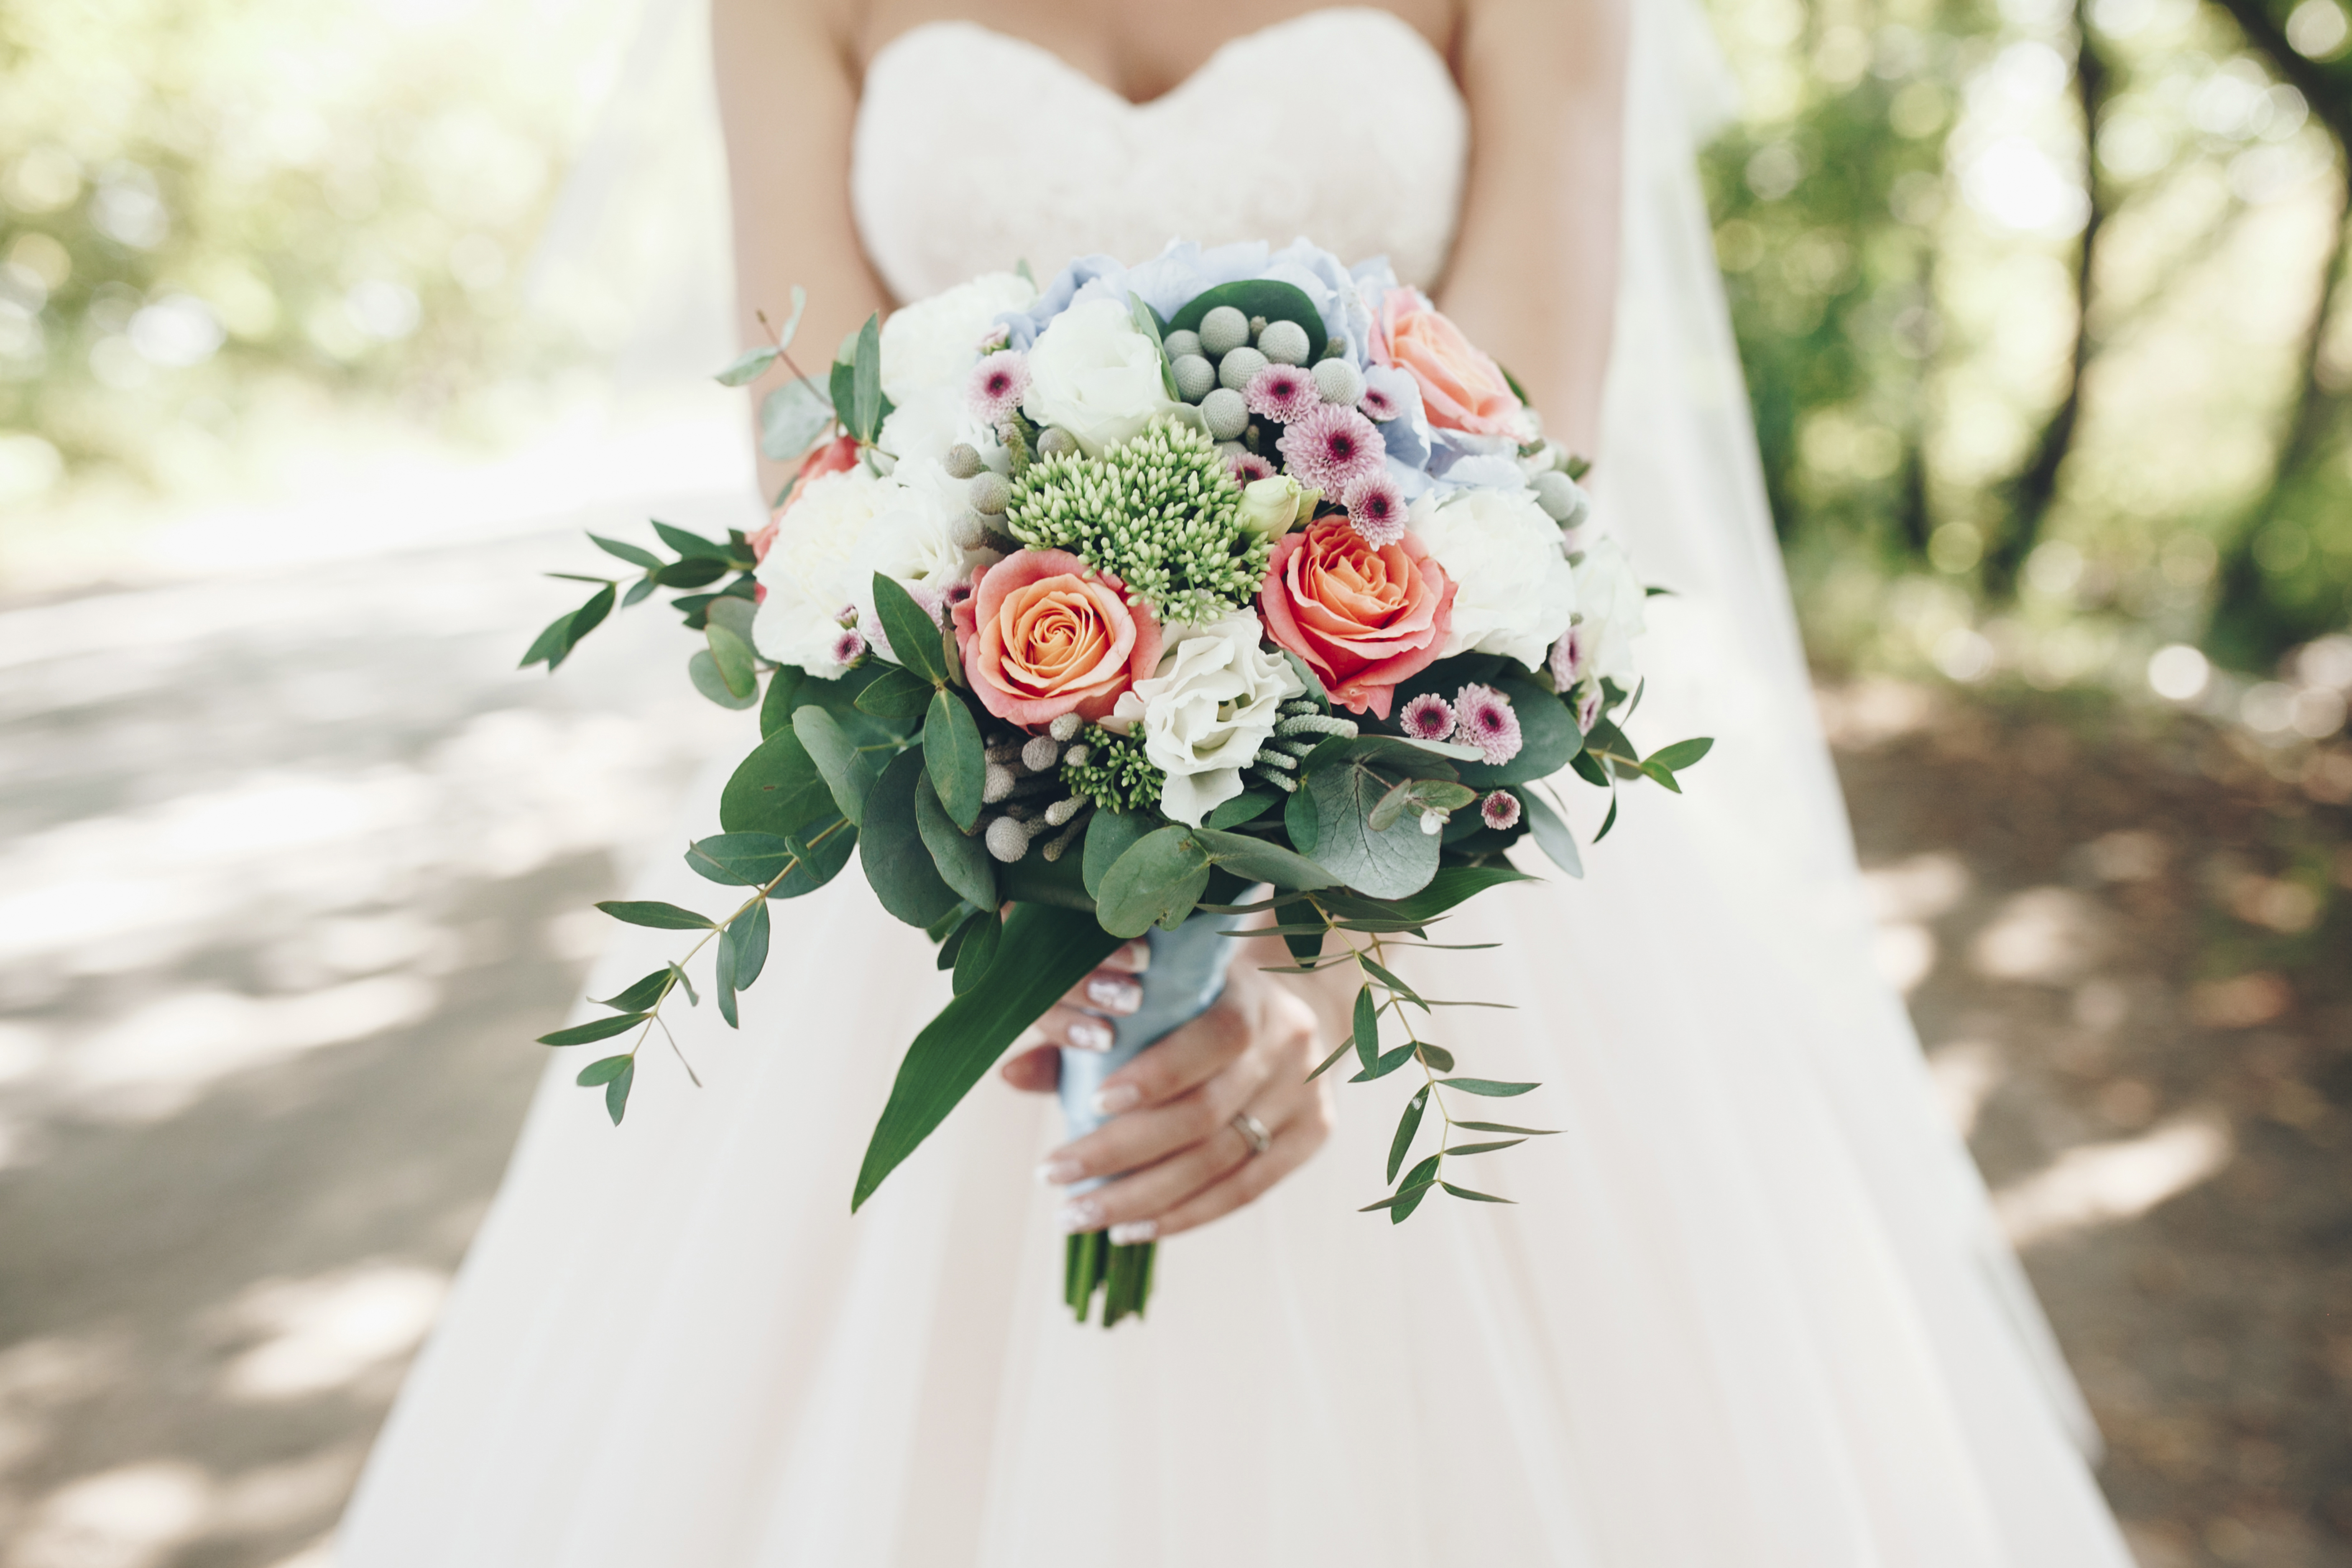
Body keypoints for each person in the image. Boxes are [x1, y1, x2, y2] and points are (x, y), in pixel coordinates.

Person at [337, 3, 2140, 1563]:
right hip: (967, 805)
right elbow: (821, 455)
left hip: (1427, 786)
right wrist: (1051, 840)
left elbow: (1523, 456)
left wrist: (1310, 946)